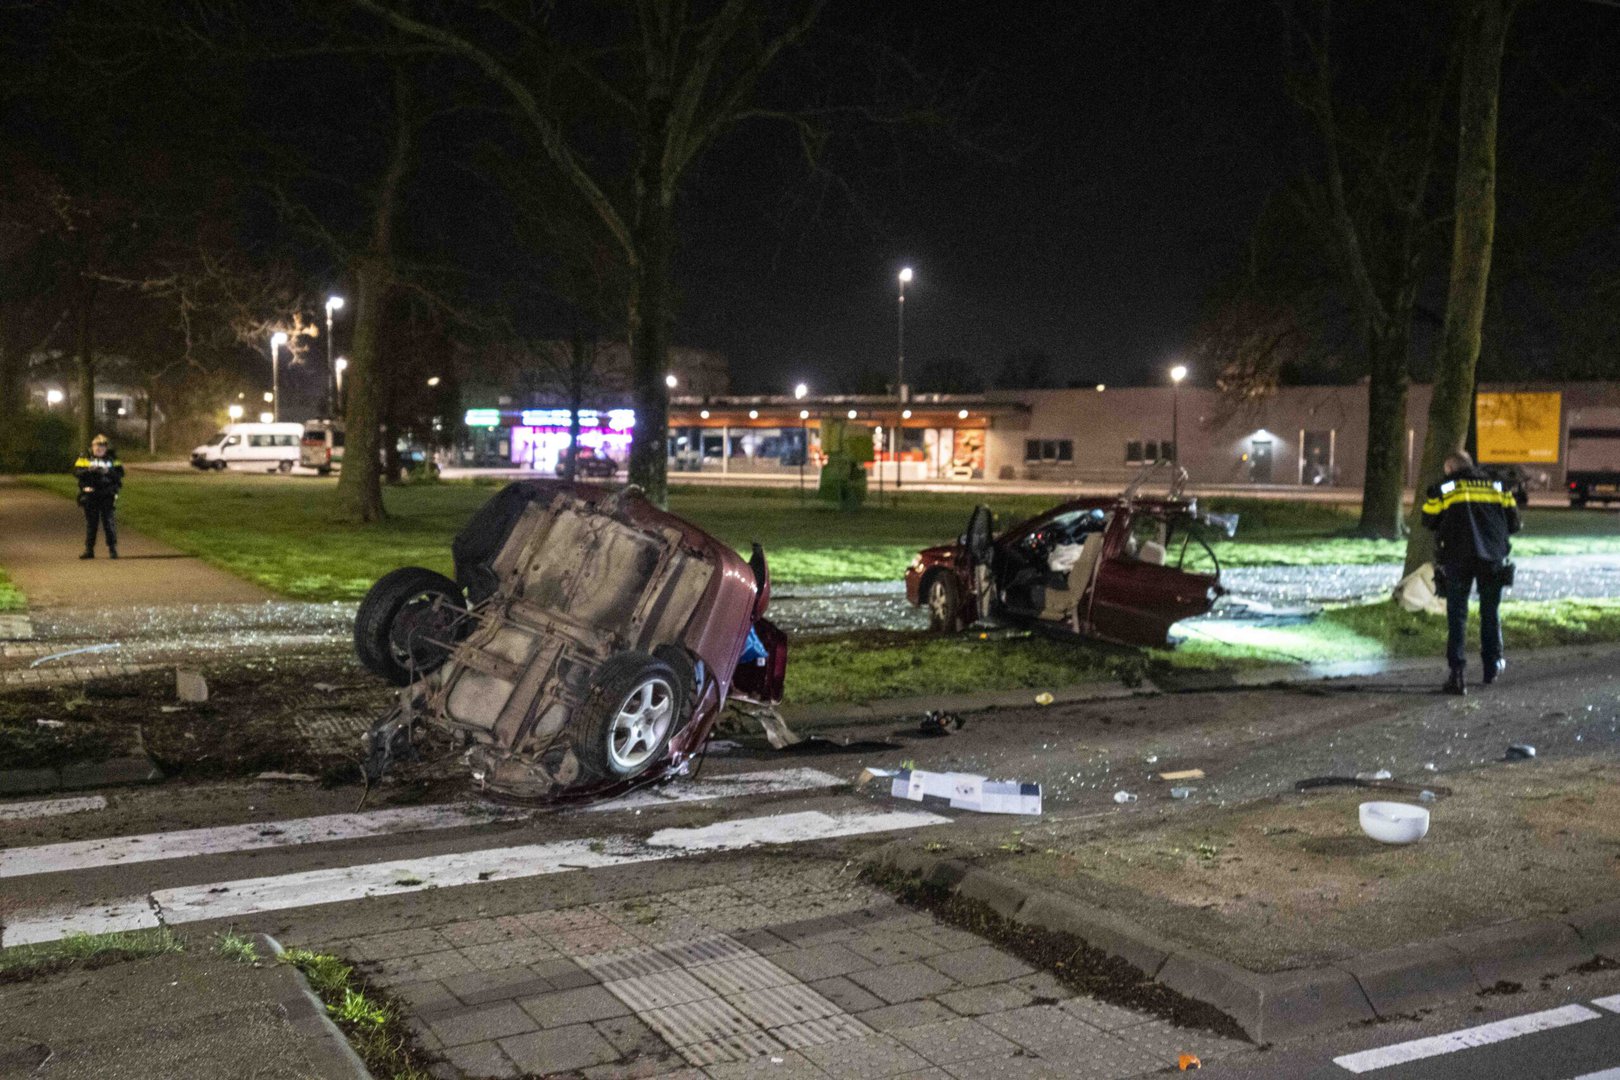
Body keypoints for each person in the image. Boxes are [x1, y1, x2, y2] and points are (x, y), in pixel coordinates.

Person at [1420, 449, 1520, 695]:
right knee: (1490, 612)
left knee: (1457, 616)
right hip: (1493, 558)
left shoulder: (1445, 488)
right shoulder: (1497, 487)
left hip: (1458, 557)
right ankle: (1491, 667)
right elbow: (1514, 524)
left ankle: (1457, 675)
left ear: (1450, 469)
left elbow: (1428, 520)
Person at [73, 434, 124, 559]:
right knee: (91, 523)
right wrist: (89, 470)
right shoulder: (85, 458)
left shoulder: (112, 459)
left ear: (106, 448)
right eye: (97, 446)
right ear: (92, 447)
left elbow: (120, 474)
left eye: (102, 446)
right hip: (90, 494)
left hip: (107, 494)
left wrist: (108, 471)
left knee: (109, 522)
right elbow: (76, 472)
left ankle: (112, 549)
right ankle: (89, 550)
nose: (99, 449)